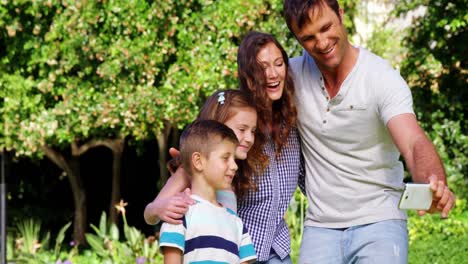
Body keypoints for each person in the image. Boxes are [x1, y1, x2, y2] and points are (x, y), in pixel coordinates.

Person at [282, 0, 456, 263]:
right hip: (320, 226)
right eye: (308, 38)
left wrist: (432, 183)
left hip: (379, 220)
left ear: (340, 14)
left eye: (326, 27)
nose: (321, 42)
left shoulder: (380, 78)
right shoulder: (291, 77)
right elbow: (241, 116)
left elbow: (412, 142)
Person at [144, 32, 304, 263]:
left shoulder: (290, 127)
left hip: (277, 251)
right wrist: (159, 208)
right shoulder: (229, 129)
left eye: (279, 64)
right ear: (248, 76)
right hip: (232, 251)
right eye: (262, 68)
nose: (272, 73)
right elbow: (153, 210)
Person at [144, 89, 264, 225]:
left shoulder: (231, 174)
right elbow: (149, 214)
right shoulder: (190, 171)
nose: (249, 138)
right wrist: (159, 208)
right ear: (218, 126)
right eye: (242, 129)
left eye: (253, 131)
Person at [159, 119, 257, 264]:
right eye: (226, 158)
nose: (235, 166)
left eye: (234, 158)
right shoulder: (179, 215)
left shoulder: (236, 222)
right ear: (198, 161)